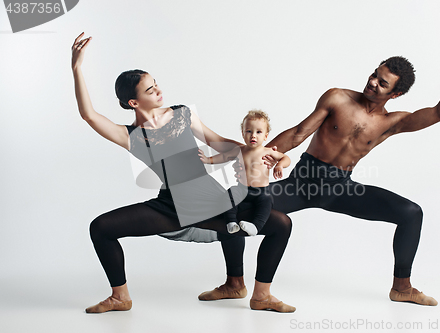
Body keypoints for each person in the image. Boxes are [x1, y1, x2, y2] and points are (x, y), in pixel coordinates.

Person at [202, 29, 440, 306]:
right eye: (374, 75)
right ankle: (234, 283)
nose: (372, 83)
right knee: (233, 208)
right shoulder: (337, 98)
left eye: (382, 83)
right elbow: (298, 133)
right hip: (302, 183)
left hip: (341, 189)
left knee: (411, 213)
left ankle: (402, 287)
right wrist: (257, 159)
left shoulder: (392, 122)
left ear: (397, 93)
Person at [71, 32, 295, 313]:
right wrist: (77, 68)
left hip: (212, 199)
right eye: (149, 90)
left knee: (280, 224)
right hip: (171, 207)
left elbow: (217, 141)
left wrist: (258, 151)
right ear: (133, 103)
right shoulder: (130, 136)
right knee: (101, 228)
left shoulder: (182, 113)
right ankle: (120, 297)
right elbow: (89, 115)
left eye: (156, 84)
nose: (158, 91)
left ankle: (251, 292)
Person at [199, 110, 291, 235]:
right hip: (241, 189)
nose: (253, 135)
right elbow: (224, 157)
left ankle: (255, 226)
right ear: (243, 134)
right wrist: (208, 160)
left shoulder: (268, 151)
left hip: (261, 191)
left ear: (265, 136)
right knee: (230, 193)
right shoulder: (239, 150)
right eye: (249, 131)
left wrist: (280, 165)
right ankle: (231, 222)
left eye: (258, 132)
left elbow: (286, 158)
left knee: (267, 201)